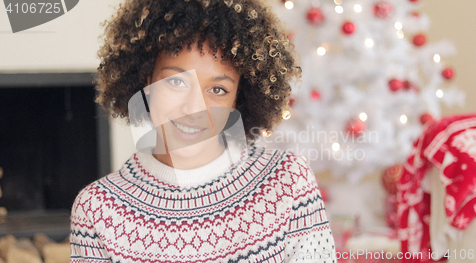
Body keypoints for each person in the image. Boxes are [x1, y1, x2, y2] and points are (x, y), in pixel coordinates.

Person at [70, 0, 336, 262]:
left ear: (238, 99)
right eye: (176, 82)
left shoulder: (288, 182)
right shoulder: (98, 209)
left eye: (218, 90)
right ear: (146, 80)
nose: (193, 108)